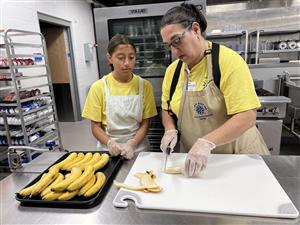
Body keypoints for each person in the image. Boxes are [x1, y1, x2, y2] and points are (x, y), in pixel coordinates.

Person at [159, 3, 269, 177]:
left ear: (195, 30)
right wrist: (169, 129)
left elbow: (247, 116)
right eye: (169, 45)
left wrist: (206, 142)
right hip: (196, 162)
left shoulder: (227, 61)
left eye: (177, 41)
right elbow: (167, 109)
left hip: (237, 160)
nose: (174, 50)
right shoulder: (173, 72)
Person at [82, 34, 157, 159]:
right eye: (120, 58)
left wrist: (132, 143)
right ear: (109, 58)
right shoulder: (99, 87)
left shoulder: (145, 86)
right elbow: (95, 127)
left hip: (138, 148)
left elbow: (145, 123)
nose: (127, 63)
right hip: (108, 150)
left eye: (131, 57)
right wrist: (110, 143)